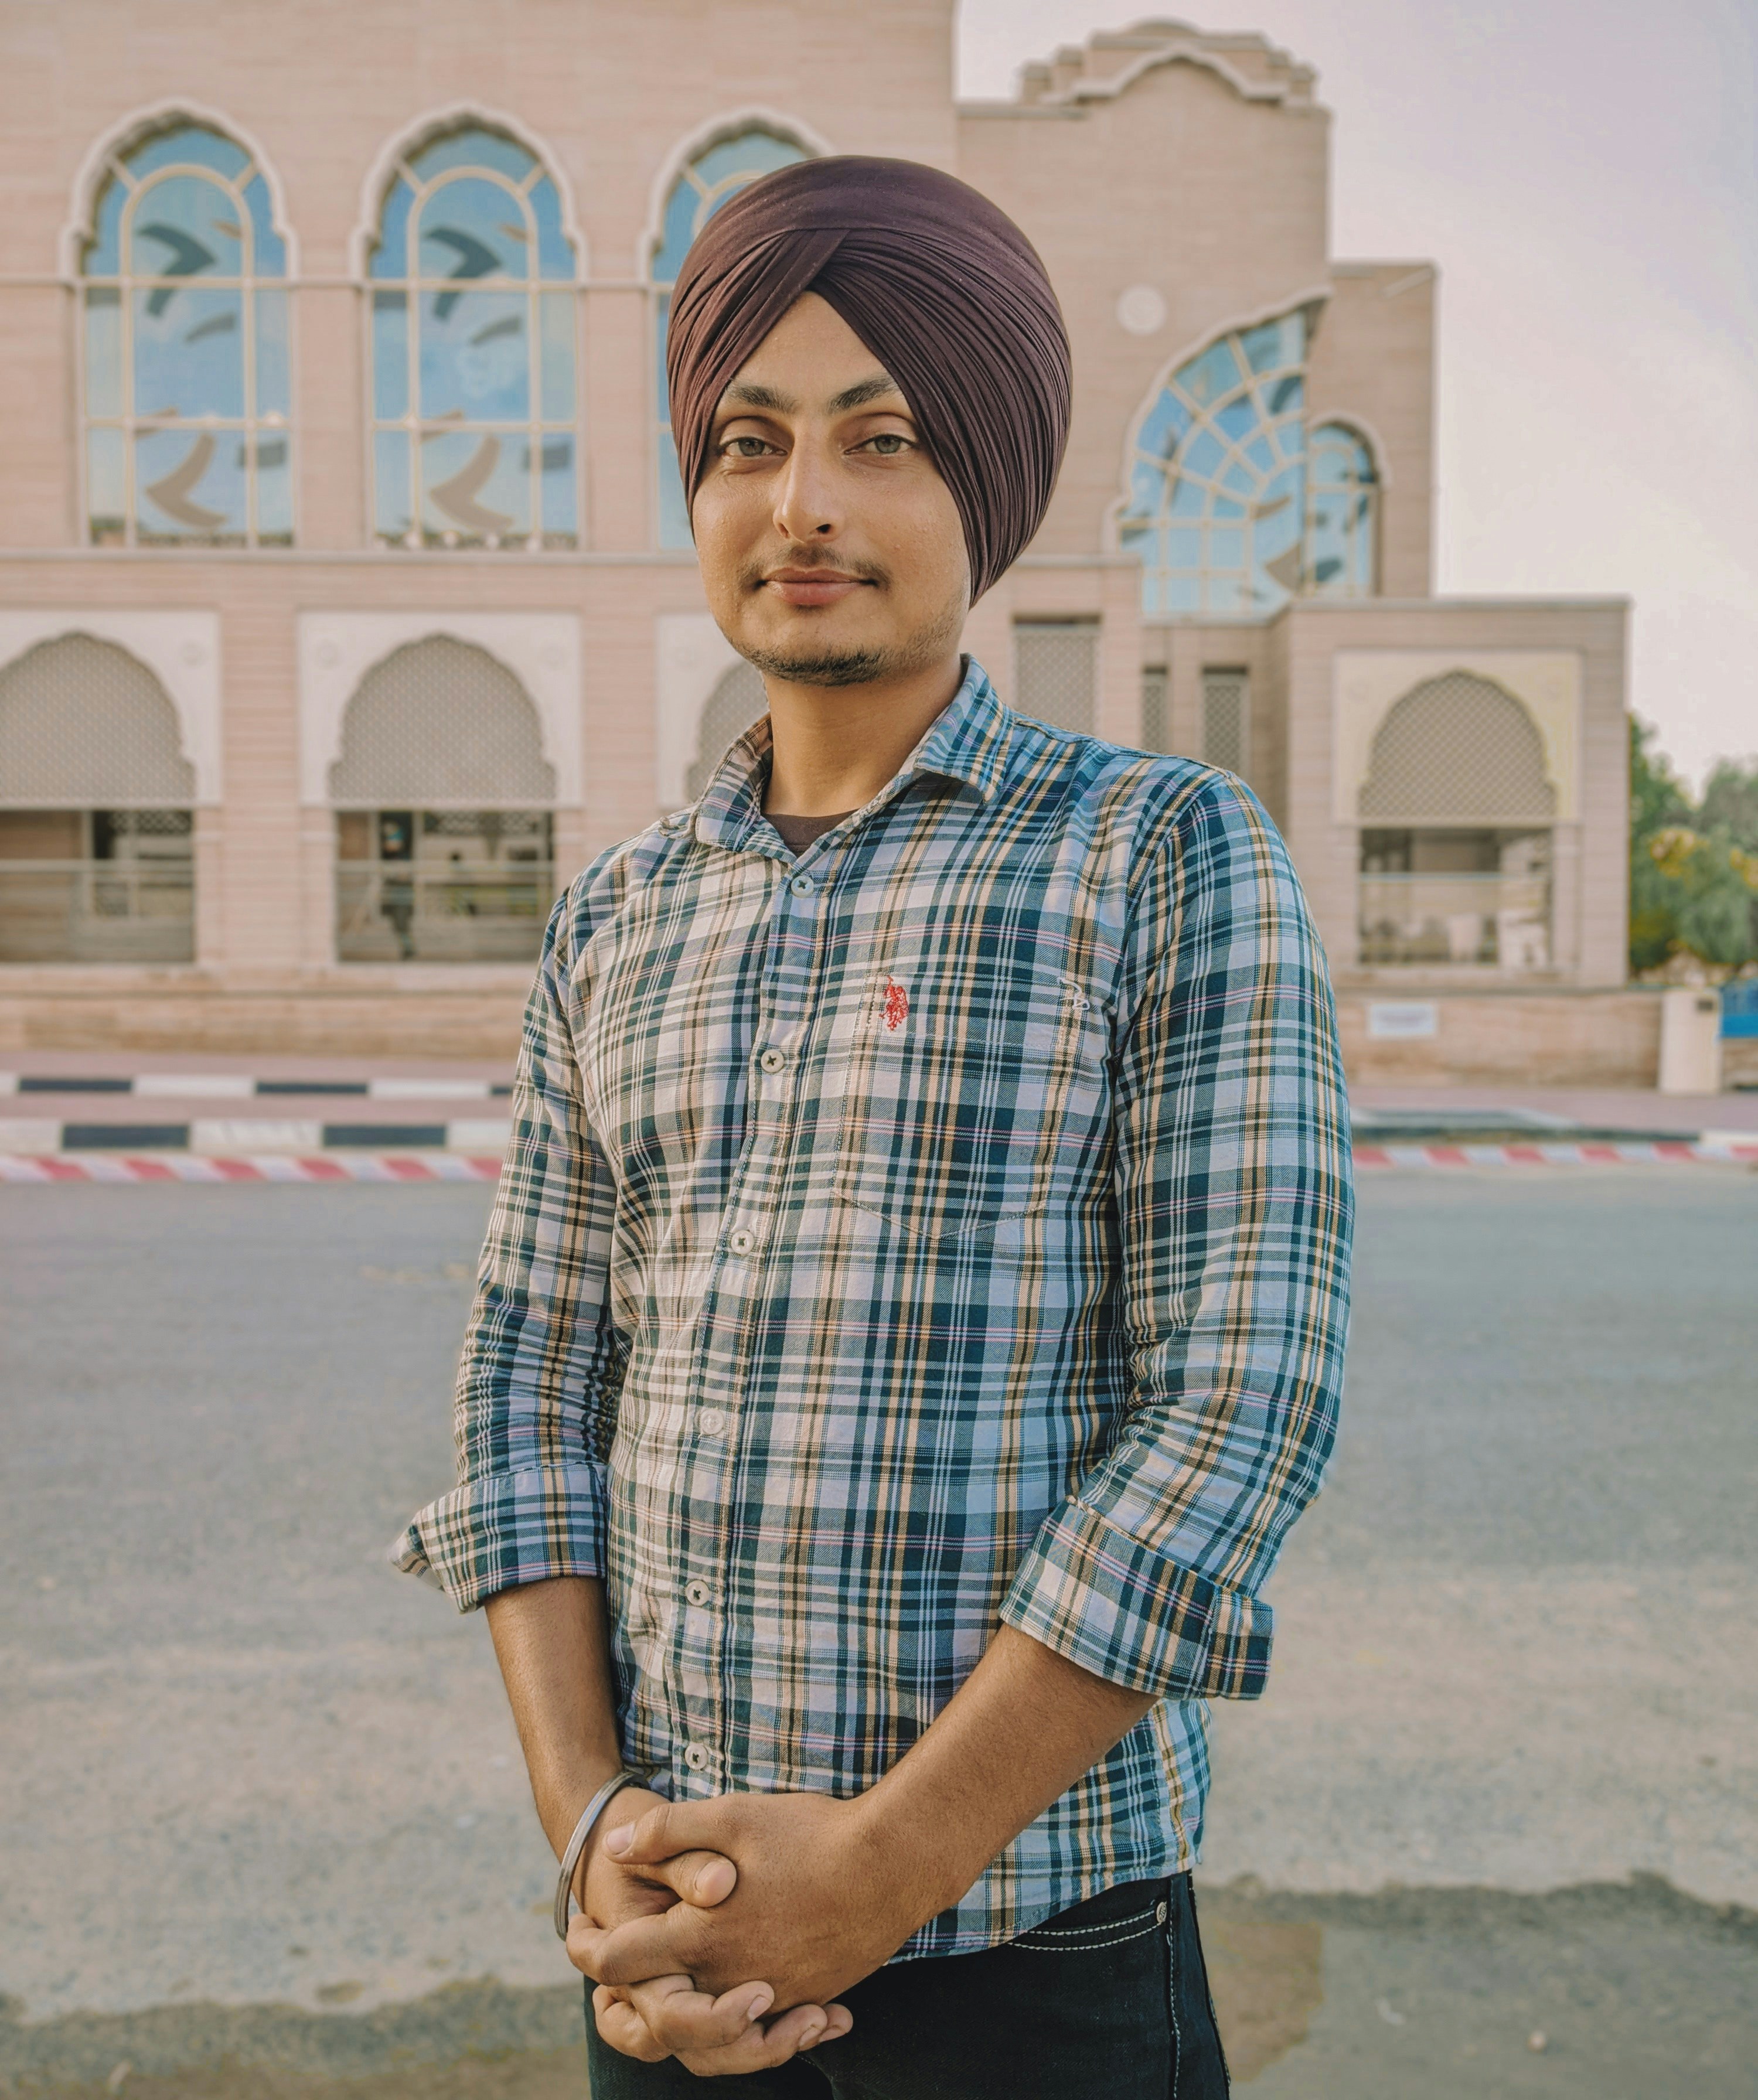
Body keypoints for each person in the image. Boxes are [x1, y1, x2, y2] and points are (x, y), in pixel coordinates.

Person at [394, 155, 1352, 2097]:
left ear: (982, 482)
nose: (803, 503)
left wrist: (888, 1868)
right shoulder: (617, 917)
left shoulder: (1157, 855)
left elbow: (1236, 1406)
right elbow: (531, 1387)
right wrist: (592, 1837)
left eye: (882, 437)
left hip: (1043, 1957)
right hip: (672, 1949)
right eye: (748, 441)